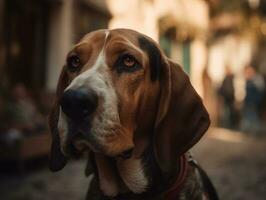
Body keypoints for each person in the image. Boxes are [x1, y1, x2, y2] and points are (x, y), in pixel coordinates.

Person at [241, 65, 265, 134]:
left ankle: (255, 131)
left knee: (253, 117)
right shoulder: (249, 80)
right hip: (249, 102)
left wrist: (256, 101)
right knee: (249, 116)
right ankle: (249, 130)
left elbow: (260, 92)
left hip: (254, 103)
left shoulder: (257, 80)